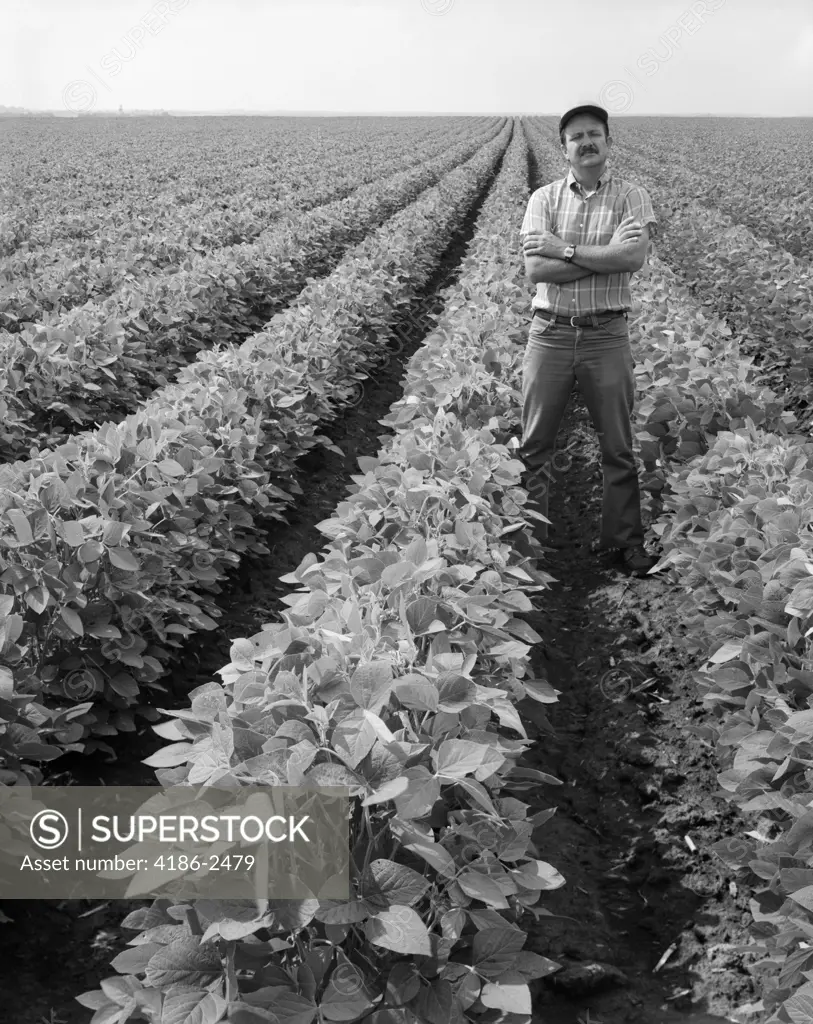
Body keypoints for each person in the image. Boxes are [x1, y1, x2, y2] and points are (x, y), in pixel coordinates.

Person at [518, 103, 658, 578]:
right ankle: (531, 546)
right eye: (576, 136)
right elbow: (537, 270)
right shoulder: (543, 199)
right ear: (564, 148)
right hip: (550, 333)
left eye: (594, 133)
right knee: (535, 444)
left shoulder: (632, 197)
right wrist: (606, 254)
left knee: (618, 446)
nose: (586, 142)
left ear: (607, 141)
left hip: (606, 334)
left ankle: (624, 543)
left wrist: (568, 251)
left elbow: (632, 259)